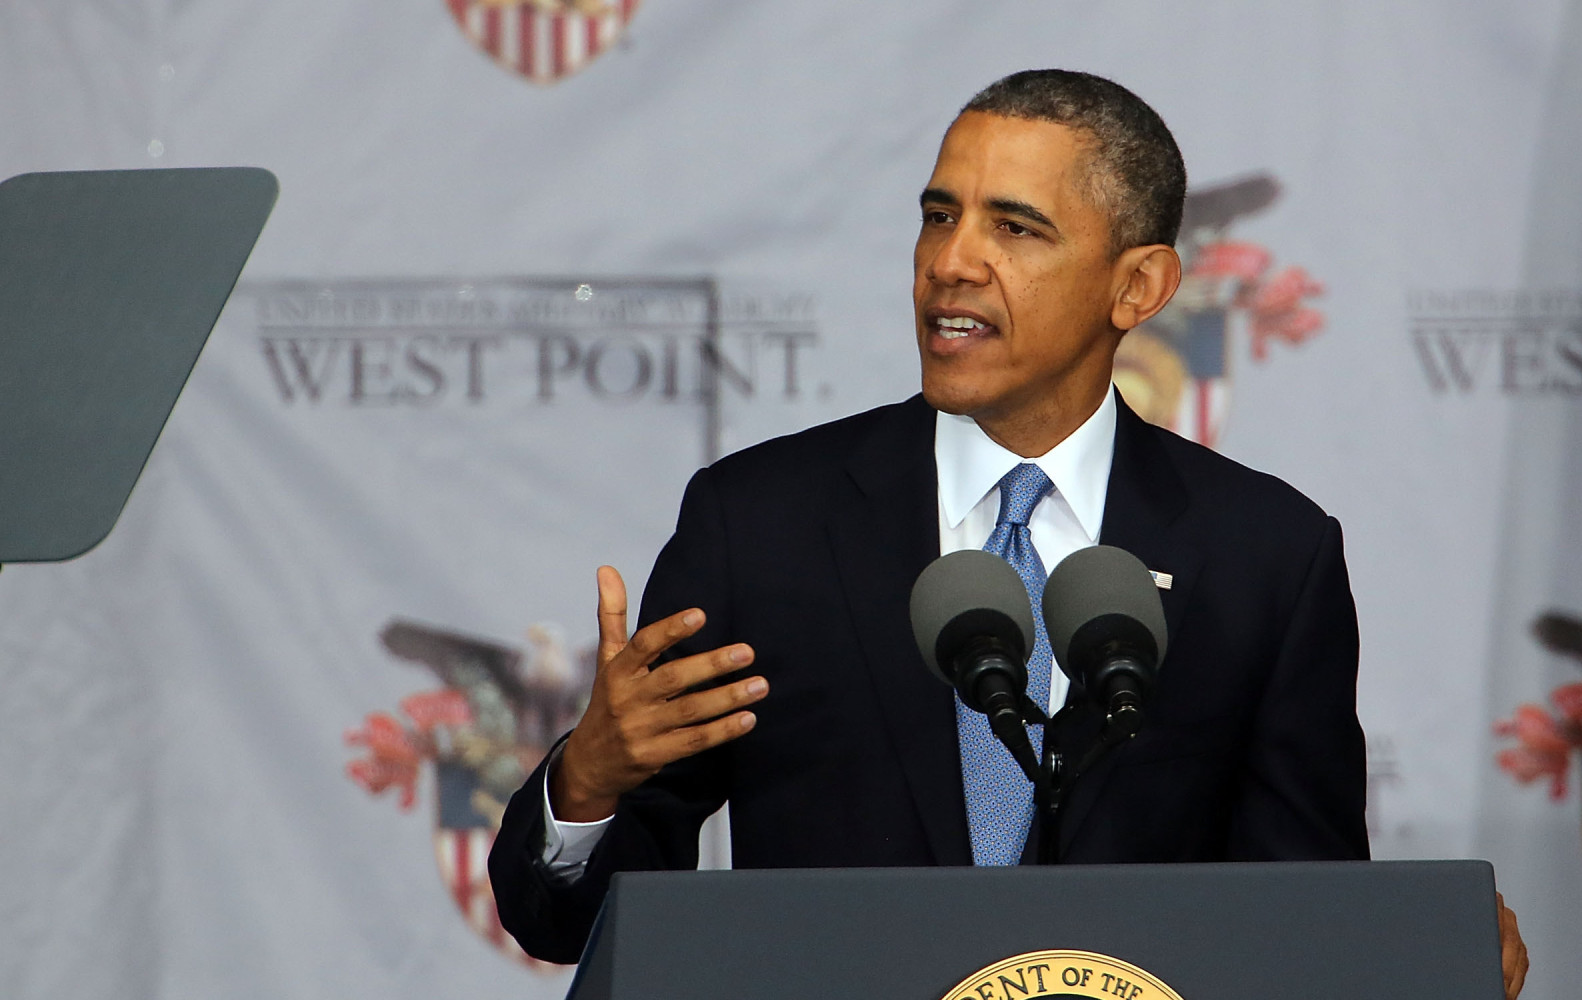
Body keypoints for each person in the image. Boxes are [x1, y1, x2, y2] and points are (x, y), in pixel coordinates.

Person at [488, 69, 1527, 998]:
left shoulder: (1264, 555)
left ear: (1138, 287)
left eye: (1015, 228)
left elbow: (1303, 913)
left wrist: (1420, 945)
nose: (951, 261)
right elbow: (570, 926)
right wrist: (587, 782)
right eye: (939, 216)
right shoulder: (762, 523)